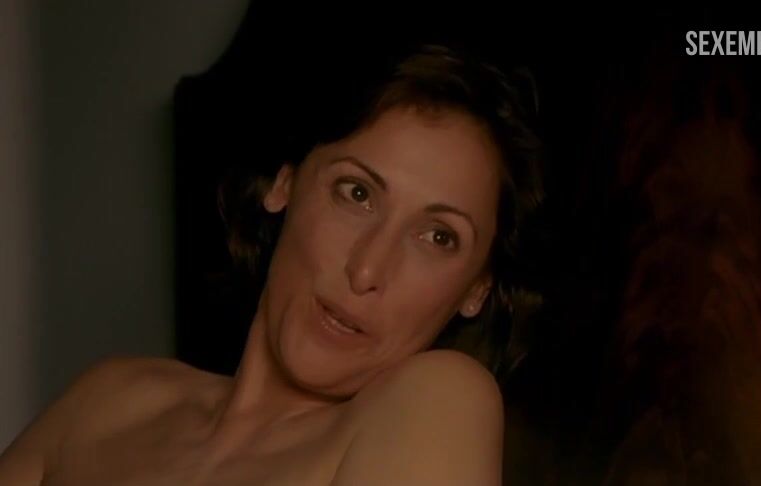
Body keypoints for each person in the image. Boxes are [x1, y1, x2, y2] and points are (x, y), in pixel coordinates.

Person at [0, 43, 545, 485]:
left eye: (438, 237)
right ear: (286, 183)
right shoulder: (107, 401)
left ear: (476, 290)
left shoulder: (442, 400)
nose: (367, 271)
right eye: (356, 193)